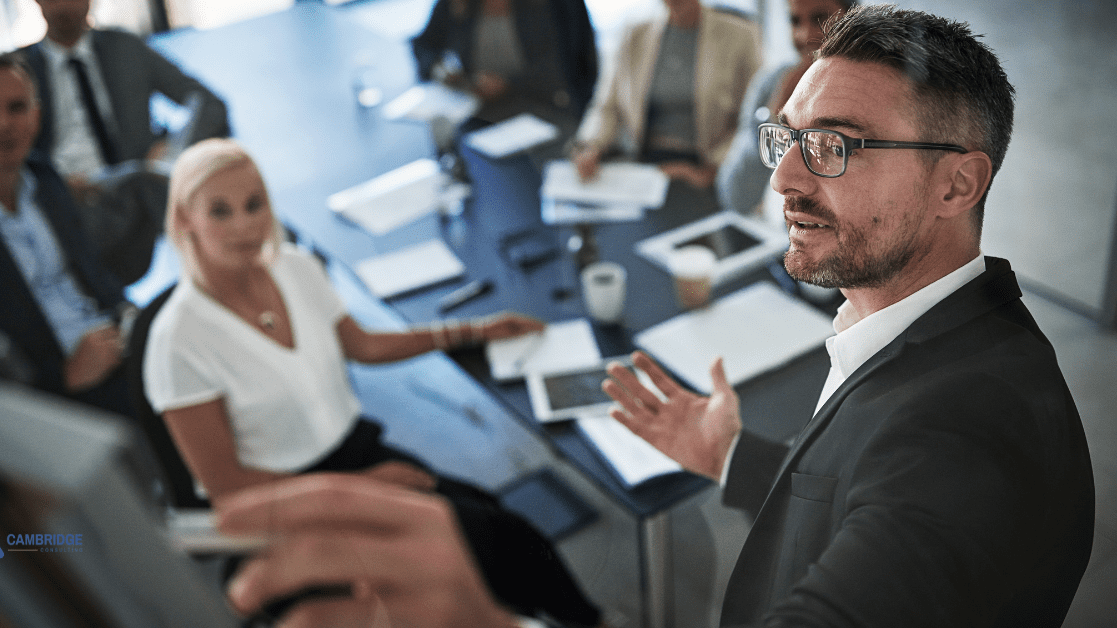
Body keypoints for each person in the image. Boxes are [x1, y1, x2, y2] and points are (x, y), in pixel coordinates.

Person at [210, 7, 1095, 628]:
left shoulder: (969, 435)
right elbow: (851, 494)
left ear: (957, 183)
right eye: (785, 138)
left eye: (835, 147)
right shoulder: (927, 332)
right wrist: (728, 457)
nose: (784, 182)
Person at [141, 138, 601, 627]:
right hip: (279, 500)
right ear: (185, 219)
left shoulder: (295, 267)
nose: (245, 225)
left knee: (510, 536)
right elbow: (228, 490)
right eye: (220, 211)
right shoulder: (176, 342)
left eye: (254, 205)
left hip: (356, 452)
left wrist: (473, 330)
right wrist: (356, 487)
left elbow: (363, 346)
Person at [0, 55, 131, 417]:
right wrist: (63, 377)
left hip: (116, 350)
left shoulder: (46, 180)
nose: (3, 124)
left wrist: (129, 319)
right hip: (48, 401)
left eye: (17, 107)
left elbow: (92, 277)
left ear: (36, 114)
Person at [16, 0, 231, 284]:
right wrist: (54, 182)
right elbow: (2, 157)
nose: (64, 4)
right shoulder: (19, 71)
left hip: (139, 181)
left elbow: (207, 103)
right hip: (70, 196)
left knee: (204, 186)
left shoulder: (125, 48)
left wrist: (175, 150)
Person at [572, 0, 760, 189]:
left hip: (706, 167)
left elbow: (753, 120)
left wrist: (713, 169)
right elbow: (607, 107)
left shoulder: (740, 35)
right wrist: (590, 146)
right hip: (644, 166)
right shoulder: (635, 33)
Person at [717, 0, 855, 216]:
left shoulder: (872, 93)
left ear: (854, 18)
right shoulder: (771, 84)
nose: (804, 35)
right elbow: (735, 196)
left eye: (821, 20)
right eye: (795, 21)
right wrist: (773, 120)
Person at [411, 0, 598, 127]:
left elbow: (562, 67)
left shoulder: (550, 6)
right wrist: (441, 69)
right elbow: (423, 45)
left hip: (545, 106)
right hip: (480, 113)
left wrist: (508, 84)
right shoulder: (457, 5)